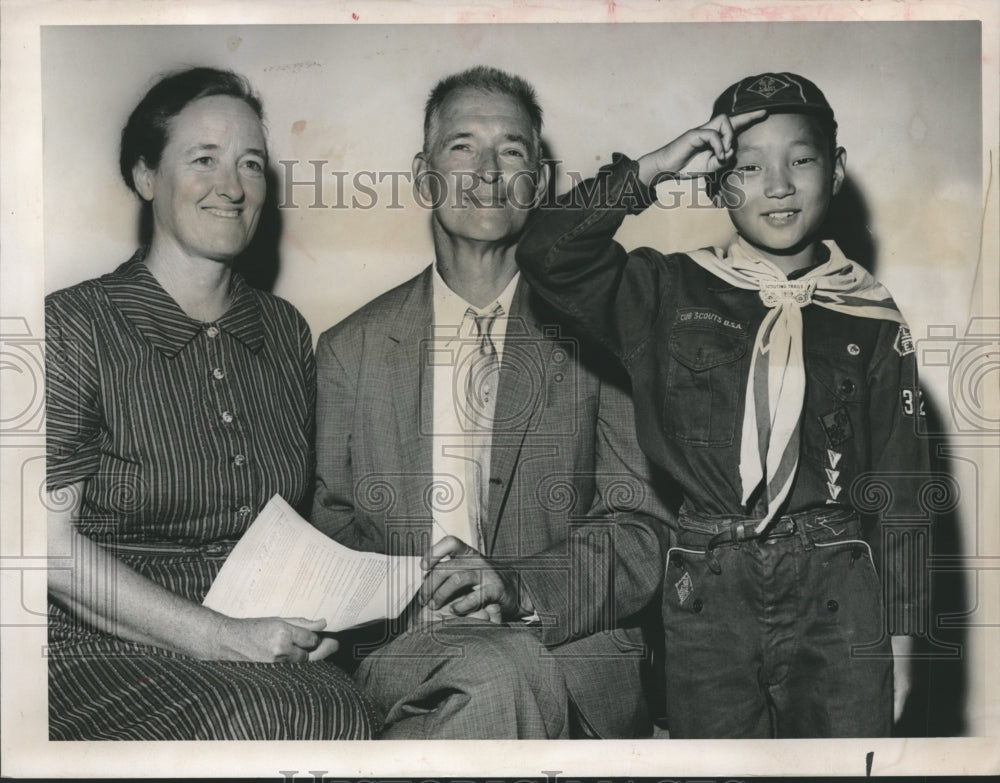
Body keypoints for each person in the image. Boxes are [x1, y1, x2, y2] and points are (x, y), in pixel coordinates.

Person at [516, 72, 931, 738]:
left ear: (837, 170)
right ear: (715, 181)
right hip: (709, 585)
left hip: (840, 587)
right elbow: (545, 251)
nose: (778, 184)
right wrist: (654, 166)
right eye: (748, 166)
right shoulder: (668, 290)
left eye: (800, 160)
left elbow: (906, 485)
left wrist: (907, 641)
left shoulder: (871, 314)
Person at [311, 66, 671, 739]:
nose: (487, 171)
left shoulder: (603, 339)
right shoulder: (347, 350)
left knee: (498, 681)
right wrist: (407, 598)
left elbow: (639, 531)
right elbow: (333, 529)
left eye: (511, 150)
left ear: (539, 181)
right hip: (411, 657)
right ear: (423, 176)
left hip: (571, 665)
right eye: (461, 147)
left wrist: (518, 587)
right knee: (487, 681)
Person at [45, 66, 378, 740]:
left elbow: (301, 527)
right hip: (99, 640)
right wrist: (220, 636)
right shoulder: (75, 324)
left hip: (260, 637)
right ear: (145, 177)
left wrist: (325, 619)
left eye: (251, 164)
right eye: (204, 159)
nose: (232, 185)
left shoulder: (284, 333)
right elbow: (45, 551)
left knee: (341, 710)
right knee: (276, 719)